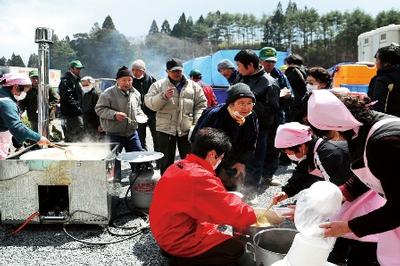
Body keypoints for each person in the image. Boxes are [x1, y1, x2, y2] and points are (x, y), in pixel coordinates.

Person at [307, 89, 400, 265]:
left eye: (326, 133)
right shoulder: (363, 126)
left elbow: (397, 209)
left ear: (335, 126)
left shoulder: (386, 142)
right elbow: (370, 172)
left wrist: (348, 227)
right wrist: (337, 196)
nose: (330, 139)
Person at [273, 121, 379, 265]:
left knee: (361, 246)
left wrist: (304, 211)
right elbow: (303, 174)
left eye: (288, 150)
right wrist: (286, 192)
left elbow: (333, 196)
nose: (287, 154)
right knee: (338, 241)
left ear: (302, 145)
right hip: (347, 200)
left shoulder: (331, 155)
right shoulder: (313, 152)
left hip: (364, 201)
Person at [150, 127, 257, 266]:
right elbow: (227, 210)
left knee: (213, 225)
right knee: (235, 248)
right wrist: (253, 215)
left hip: (165, 231)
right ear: (212, 155)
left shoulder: (179, 165)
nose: (220, 162)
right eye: (221, 158)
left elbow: (206, 202)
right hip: (176, 240)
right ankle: (182, 260)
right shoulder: (199, 177)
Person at [191, 83, 258, 191]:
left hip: (234, 159)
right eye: (241, 103)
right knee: (210, 189)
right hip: (211, 159)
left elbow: (251, 142)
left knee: (232, 188)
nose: (246, 107)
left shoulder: (251, 116)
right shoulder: (215, 115)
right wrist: (212, 165)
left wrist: (242, 161)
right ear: (231, 104)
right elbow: (197, 140)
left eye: (249, 103)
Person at [145, 58, 207, 174]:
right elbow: (150, 104)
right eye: (173, 71)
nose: (177, 73)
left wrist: (196, 124)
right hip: (165, 130)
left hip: (187, 129)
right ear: (167, 71)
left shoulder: (194, 86)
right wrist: (163, 96)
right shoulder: (158, 85)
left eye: (179, 71)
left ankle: (187, 186)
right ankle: (167, 187)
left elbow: (201, 105)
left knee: (189, 162)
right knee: (166, 163)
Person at [233, 49, 281, 190]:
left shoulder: (269, 83)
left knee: (255, 159)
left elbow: (272, 110)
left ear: (250, 65)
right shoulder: (240, 77)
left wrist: (247, 105)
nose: (238, 68)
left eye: (239, 65)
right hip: (239, 125)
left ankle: (251, 190)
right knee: (238, 157)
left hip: (260, 128)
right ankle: (236, 187)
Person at [95, 66, 144, 181]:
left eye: (129, 80)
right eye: (124, 80)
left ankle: (138, 188)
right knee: (113, 165)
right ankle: (114, 192)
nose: (127, 83)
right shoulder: (108, 93)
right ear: (117, 80)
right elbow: (99, 109)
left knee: (138, 159)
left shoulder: (135, 93)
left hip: (132, 133)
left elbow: (138, 108)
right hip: (114, 134)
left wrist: (141, 115)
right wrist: (114, 114)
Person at [0, 73, 51, 159]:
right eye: (23, 91)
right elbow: (17, 126)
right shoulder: (6, 102)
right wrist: (39, 138)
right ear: (16, 87)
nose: (24, 94)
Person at [259, 47, 293, 167]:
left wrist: (288, 95)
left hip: (276, 116)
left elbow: (290, 94)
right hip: (259, 117)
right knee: (258, 146)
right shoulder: (254, 75)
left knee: (274, 145)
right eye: (267, 61)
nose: (270, 64)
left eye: (273, 61)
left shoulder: (280, 75)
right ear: (260, 61)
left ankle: (268, 176)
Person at [131, 59, 158, 152]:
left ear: (143, 70)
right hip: (139, 114)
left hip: (152, 113)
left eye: (137, 70)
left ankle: (159, 161)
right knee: (140, 138)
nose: (135, 72)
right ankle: (145, 162)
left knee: (157, 137)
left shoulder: (152, 80)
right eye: (133, 70)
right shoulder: (131, 82)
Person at [367, 43, 400, 117]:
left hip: (390, 123)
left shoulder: (383, 80)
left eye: (377, 60)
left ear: (386, 63)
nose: (376, 63)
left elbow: (378, 107)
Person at [58, 60, 85, 142]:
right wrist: (78, 108)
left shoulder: (74, 79)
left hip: (75, 112)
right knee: (76, 131)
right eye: (77, 68)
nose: (79, 70)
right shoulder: (67, 80)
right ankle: (70, 150)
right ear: (71, 69)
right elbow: (68, 97)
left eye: (80, 68)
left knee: (76, 132)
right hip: (71, 113)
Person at [284, 54, 308, 122]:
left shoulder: (291, 70)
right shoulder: (305, 70)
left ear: (290, 63)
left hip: (295, 104)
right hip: (305, 103)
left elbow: (286, 86)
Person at [81, 76, 102, 140]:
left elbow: (100, 110)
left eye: (86, 85)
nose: (84, 87)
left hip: (95, 123)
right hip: (87, 123)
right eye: (83, 85)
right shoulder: (86, 94)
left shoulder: (97, 94)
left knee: (96, 142)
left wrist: (100, 124)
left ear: (92, 83)